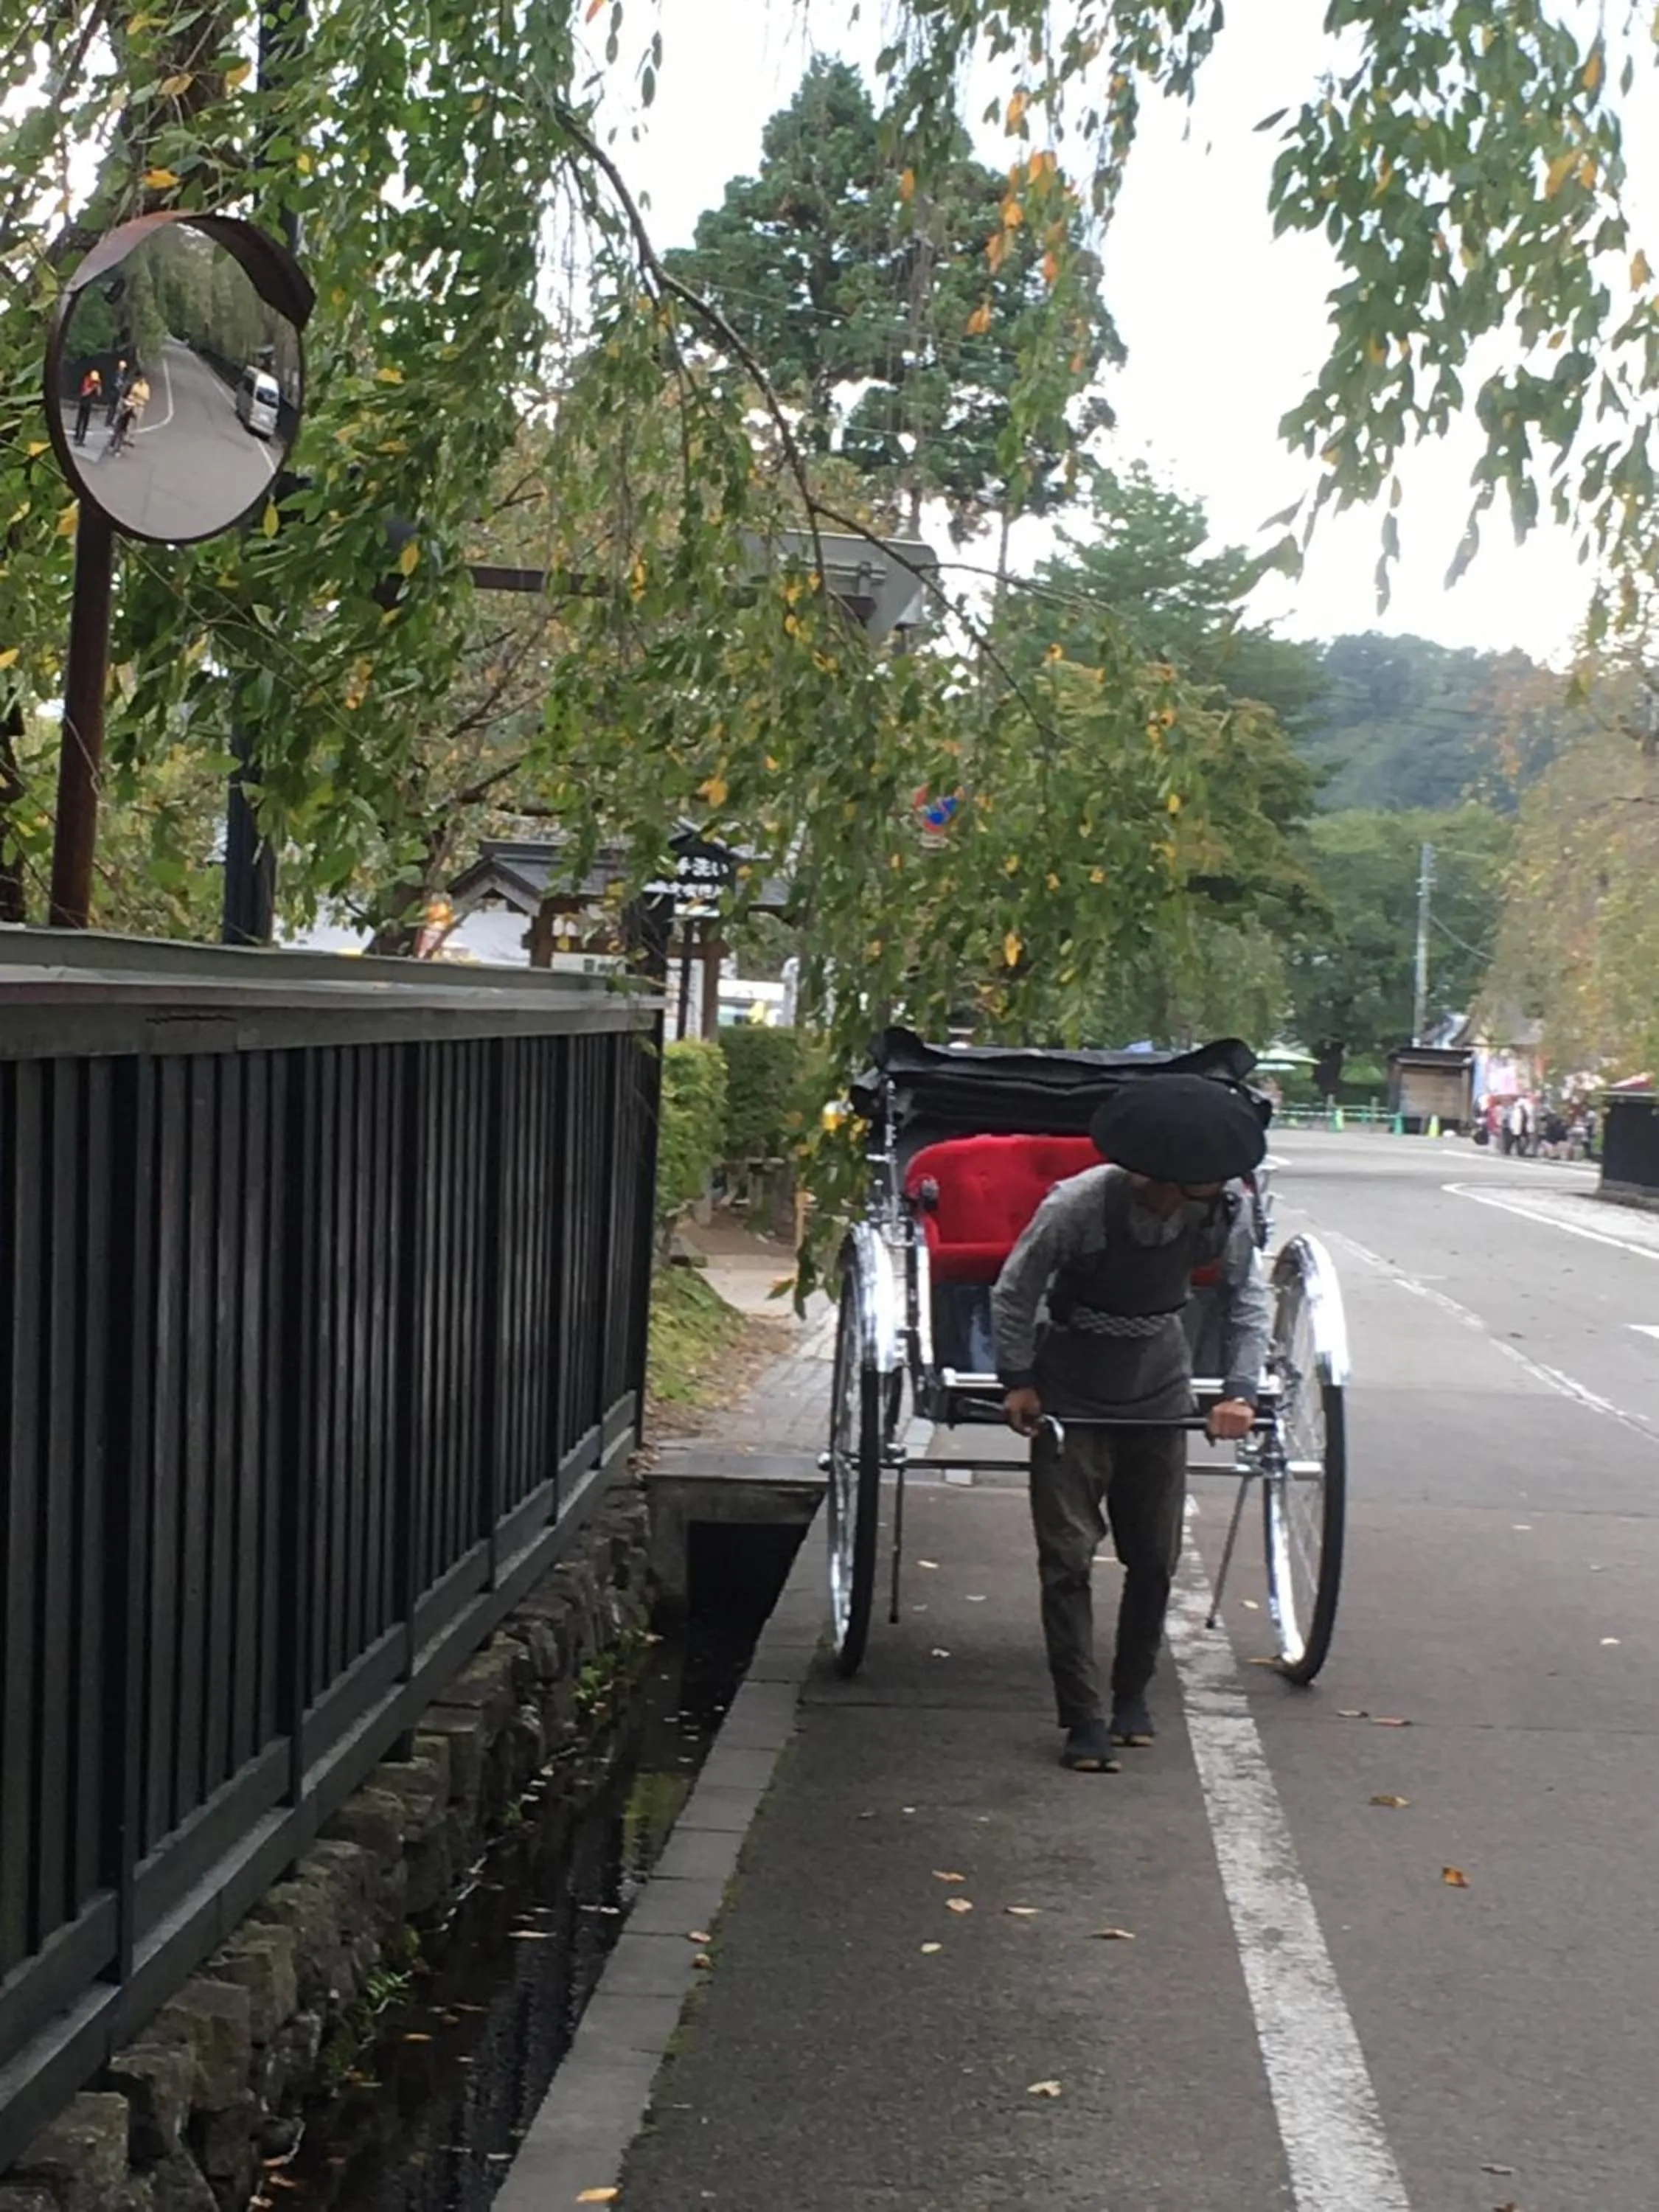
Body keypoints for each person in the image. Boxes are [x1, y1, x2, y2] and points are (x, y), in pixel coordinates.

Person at [991, 1073, 1270, 1773]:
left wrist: (1239, 1391)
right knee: (1067, 1560)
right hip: (1073, 1381)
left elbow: (1246, 1301)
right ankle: (1082, 1716)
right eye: (1194, 1181)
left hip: (1159, 1384)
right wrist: (1018, 1379)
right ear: (1165, 1176)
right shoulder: (1080, 1204)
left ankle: (1132, 1696)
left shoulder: (1224, 1211)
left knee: (1154, 1557)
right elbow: (1015, 1289)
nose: (1203, 1190)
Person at [109, 371, 148, 456]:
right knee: (118, 431)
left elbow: (145, 397)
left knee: (121, 431)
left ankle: (117, 447)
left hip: (126, 416)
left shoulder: (143, 388)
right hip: (124, 416)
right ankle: (114, 446)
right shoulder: (129, 395)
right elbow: (123, 404)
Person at [72, 366, 101, 446]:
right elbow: (84, 393)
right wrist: (92, 388)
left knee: (85, 422)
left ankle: (82, 439)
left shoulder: (96, 383)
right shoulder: (87, 380)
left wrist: (98, 386)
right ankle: (77, 436)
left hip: (89, 404)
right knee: (80, 420)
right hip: (83, 403)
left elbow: (99, 394)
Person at [105, 358, 128, 428]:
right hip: (113, 391)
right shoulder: (115, 373)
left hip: (118, 392)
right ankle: (108, 421)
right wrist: (118, 385)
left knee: (114, 407)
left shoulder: (124, 375)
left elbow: (124, 382)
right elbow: (112, 382)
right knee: (111, 407)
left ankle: (111, 420)